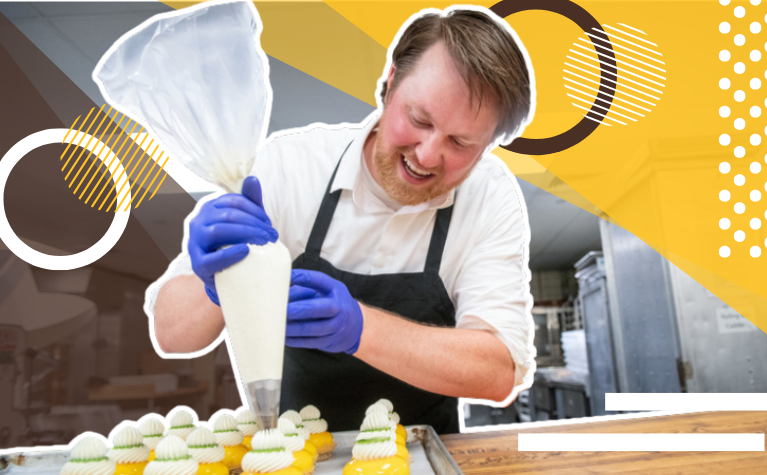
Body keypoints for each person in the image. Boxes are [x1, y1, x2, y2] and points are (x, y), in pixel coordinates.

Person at [149, 6, 535, 434]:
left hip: (422, 459)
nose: (426, 155)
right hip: (289, 457)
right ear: (389, 83)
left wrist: (359, 327)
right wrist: (216, 282)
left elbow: (499, 372)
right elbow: (172, 335)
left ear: (486, 148)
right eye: (419, 119)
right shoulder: (290, 166)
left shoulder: (488, 196)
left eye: (461, 142)